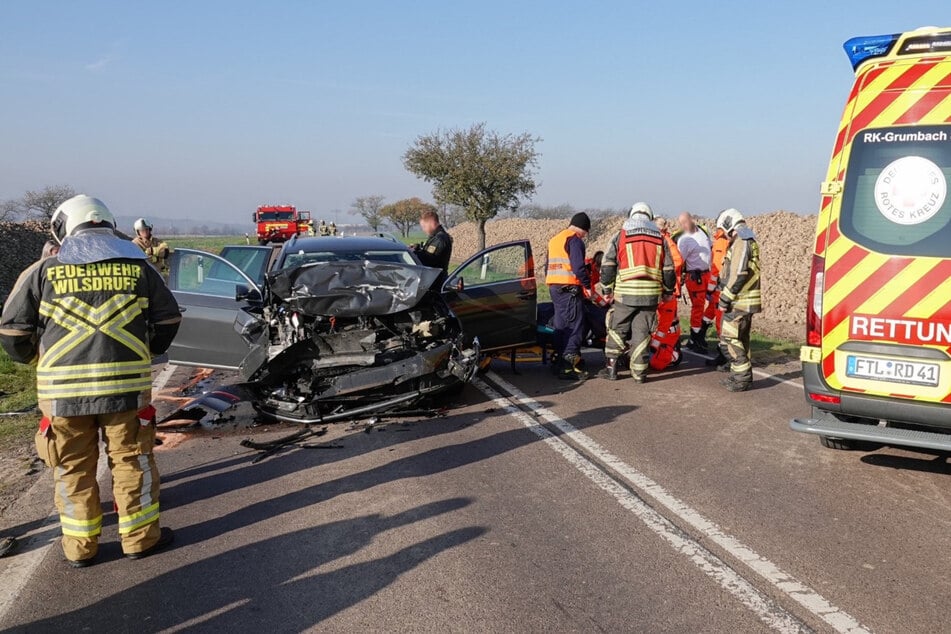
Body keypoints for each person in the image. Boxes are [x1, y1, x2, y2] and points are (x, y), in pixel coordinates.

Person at [0, 195, 181, 567]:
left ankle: (80, 549)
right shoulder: (139, 268)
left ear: (63, 228)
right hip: (126, 391)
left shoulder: (41, 272)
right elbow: (168, 320)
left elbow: (13, 332)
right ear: (109, 225)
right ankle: (140, 540)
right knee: (133, 462)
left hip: (63, 395)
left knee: (72, 468)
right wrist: (146, 350)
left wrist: (38, 359)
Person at [598, 203, 675, 382]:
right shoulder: (660, 238)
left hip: (625, 293)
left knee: (618, 328)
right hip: (651, 295)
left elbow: (608, 264)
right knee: (642, 332)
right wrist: (668, 291)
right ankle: (639, 374)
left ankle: (611, 369)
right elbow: (669, 269)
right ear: (649, 216)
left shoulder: (621, 235)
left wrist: (607, 289)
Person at [714, 208, 762, 392]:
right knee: (741, 340)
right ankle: (739, 377)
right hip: (746, 300)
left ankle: (742, 379)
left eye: (723, 229)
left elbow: (738, 272)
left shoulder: (741, 241)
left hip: (738, 301)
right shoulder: (748, 239)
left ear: (728, 223)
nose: (724, 235)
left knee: (729, 339)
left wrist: (725, 298)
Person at [546, 212, 592, 380]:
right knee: (575, 326)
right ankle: (568, 366)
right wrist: (588, 286)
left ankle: (559, 360)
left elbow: (548, 267)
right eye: (585, 233)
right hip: (570, 290)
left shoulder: (555, 239)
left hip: (555, 288)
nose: (584, 236)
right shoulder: (574, 240)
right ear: (583, 229)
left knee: (561, 325)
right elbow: (579, 267)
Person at [648, 218, 685, 371]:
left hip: (667, 291)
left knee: (667, 324)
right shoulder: (656, 240)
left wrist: (660, 271)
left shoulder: (665, 240)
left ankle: (669, 352)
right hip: (658, 290)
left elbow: (677, 261)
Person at [676, 212, 712, 352]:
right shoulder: (684, 240)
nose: (684, 225)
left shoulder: (703, 231)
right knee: (698, 307)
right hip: (695, 276)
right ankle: (695, 338)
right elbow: (679, 261)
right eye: (681, 223)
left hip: (707, 273)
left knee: (716, 302)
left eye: (685, 221)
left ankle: (702, 329)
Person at [703, 225, 731, 368]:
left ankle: (724, 356)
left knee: (721, 321)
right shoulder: (730, 239)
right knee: (716, 316)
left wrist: (710, 288)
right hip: (726, 286)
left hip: (720, 288)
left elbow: (716, 268)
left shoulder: (721, 241)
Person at [414, 209, 454, 284]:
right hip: (434, 279)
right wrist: (418, 248)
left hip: (436, 281)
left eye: (424, 226)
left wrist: (414, 253)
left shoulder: (439, 239)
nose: (423, 229)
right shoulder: (436, 237)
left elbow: (429, 259)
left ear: (431, 223)